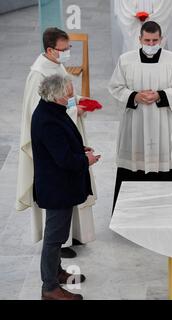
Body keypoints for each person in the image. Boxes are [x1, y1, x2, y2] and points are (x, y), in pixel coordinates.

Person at [16, 27, 97, 259]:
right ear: (50, 50)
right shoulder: (38, 74)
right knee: (58, 198)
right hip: (52, 155)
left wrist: (78, 102)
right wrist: (74, 109)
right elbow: (41, 117)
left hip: (65, 137)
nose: (67, 52)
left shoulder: (55, 64)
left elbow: (62, 97)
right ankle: (57, 247)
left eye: (69, 47)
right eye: (64, 49)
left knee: (71, 185)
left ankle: (71, 236)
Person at [31, 74, 101, 300]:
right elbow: (63, 159)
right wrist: (85, 160)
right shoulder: (48, 120)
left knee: (59, 235)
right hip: (56, 188)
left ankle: (56, 271)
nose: (71, 97)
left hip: (61, 186)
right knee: (53, 239)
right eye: (68, 95)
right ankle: (49, 288)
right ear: (56, 96)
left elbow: (63, 144)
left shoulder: (52, 111)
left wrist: (79, 149)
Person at [108, 21, 172, 211]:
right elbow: (115, 87)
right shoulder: (126, 60)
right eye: (147, 40)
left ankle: (169, 210)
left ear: (161, 39)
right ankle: (128, 212)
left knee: (167, 161)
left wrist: (160, 95)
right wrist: (134, 95)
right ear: (140, 39)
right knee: (134, 163)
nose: (151, 44)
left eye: (155, 40)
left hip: (164, 123)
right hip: (136, 122)